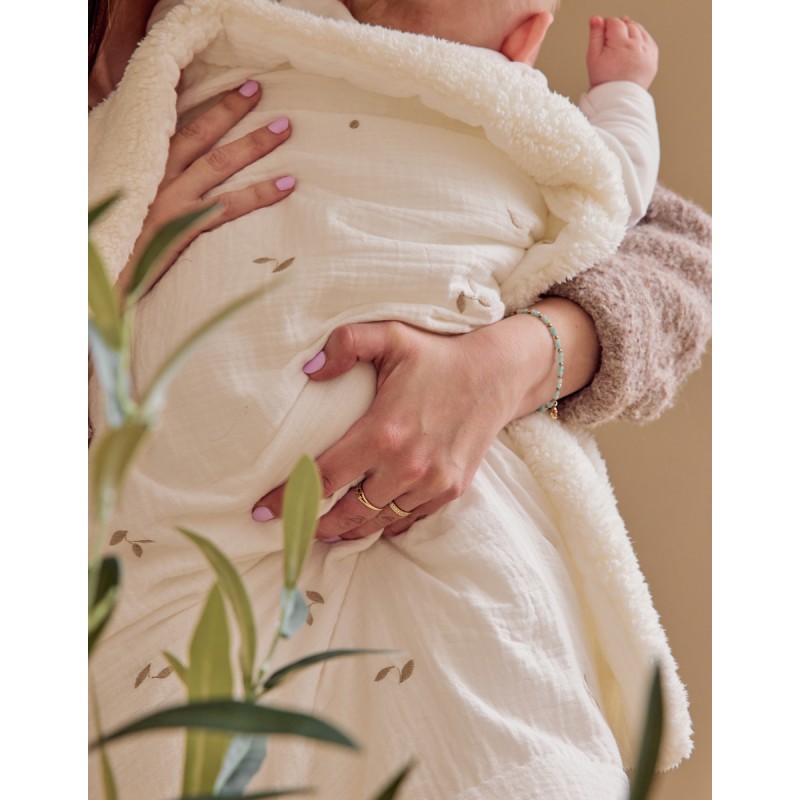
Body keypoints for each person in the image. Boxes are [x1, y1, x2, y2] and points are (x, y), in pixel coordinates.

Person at [88, 1, 711, 797]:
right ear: (529, 34)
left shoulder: (343, 57)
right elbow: (617, 186)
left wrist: (510, 362)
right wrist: (103, 261)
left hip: (417, 494)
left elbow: (675, 255)